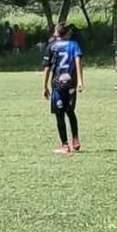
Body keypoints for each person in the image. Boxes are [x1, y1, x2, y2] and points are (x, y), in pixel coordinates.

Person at [42, 22, 83, 154]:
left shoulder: (52, 46)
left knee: (59, 114)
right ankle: (75, 139)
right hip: (71, 83)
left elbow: (47, 68)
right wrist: (80, 81)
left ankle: (65, 145)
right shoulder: (74, 45)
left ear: (57, 33)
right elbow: (78, 61)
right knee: (70, 111)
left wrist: (44, 86)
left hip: (57, 84)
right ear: (67, 33)